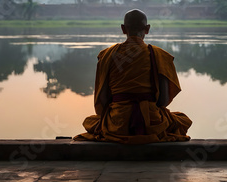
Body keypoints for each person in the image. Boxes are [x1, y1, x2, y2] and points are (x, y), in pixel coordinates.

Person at [73, 9, 192, 144]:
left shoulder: (107, 55)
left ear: (123, 29)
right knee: (182, 119)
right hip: (151, 122)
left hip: (117, 123)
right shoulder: (160, 55)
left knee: (90, 121)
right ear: (147, 29)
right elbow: (163, 101)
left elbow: (104, 99)